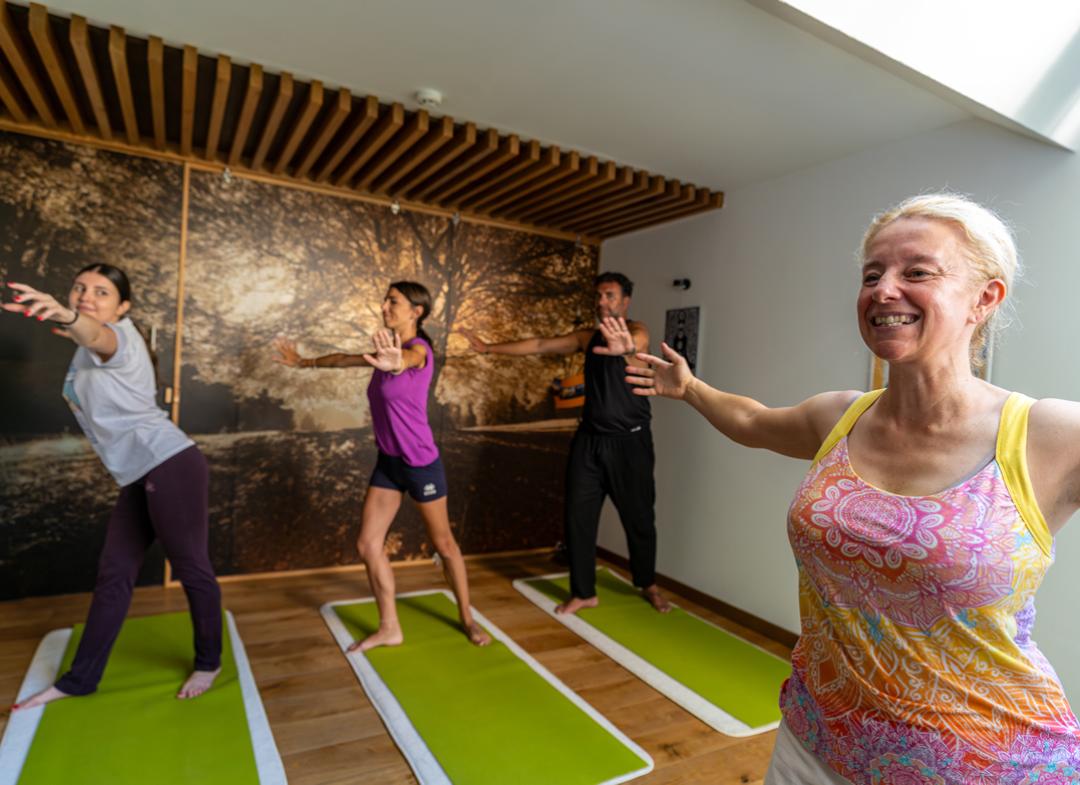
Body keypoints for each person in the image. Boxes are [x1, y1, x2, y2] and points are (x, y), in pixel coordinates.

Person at [623, 194, 1080, 783]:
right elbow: (752, 421)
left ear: (984, 298)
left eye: (917, 271)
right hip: (817, 739)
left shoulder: (1050, 434)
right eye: (872, 274)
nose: (883, 289)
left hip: (982, 763)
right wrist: (689, 389)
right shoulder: (839, 416)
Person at [5, 264, 223, 709]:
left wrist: (67, 317)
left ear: (122, 307)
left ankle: (209, 660)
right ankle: (79, 680)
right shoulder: (90, 339)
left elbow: (98, 337)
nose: (86, 296)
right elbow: (85, 335)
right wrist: (63, 321)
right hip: (141, 472)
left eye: (101, 292)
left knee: (191, 567)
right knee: (113, 575)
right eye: (80, 288)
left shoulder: (121, 339)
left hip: (170, 465)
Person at [273, 281, 490, 651]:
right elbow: (343, 360)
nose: (385, 306)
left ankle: (468, 618)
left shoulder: (418, 349)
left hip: (421, 464)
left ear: (415, 312)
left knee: (445, 545)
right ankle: (390, 626)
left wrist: (397, 362)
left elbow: (411, 359)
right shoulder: (383, 350)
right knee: (368, 543)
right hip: (389, 463)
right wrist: (303, 362)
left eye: (394, 301)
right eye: (386, 300)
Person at [462, 272, 671, 615]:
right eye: (599, 296)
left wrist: (626, 348)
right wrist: (488, 347)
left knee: (639, 520)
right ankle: (584, 591)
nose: (602, 301)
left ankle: (648, 583)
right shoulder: (587, 337)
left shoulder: (637, 330)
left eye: (610, 295)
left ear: (624, 301)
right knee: (578, 517)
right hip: (589, 442)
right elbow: (540, 345)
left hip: (630, 445)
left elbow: (639, 343)